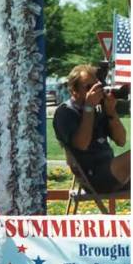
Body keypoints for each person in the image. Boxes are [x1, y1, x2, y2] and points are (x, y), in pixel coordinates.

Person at [53, 65, 129, 193]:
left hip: (110, 169)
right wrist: (88, 108)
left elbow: (121, 141)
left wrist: (111, 112)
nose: (94, 92)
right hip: (93, 177)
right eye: (88, 88)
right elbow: (82, 144)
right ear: (73, 91)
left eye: (96, 87)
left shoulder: (98, 108)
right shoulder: (65, 112)